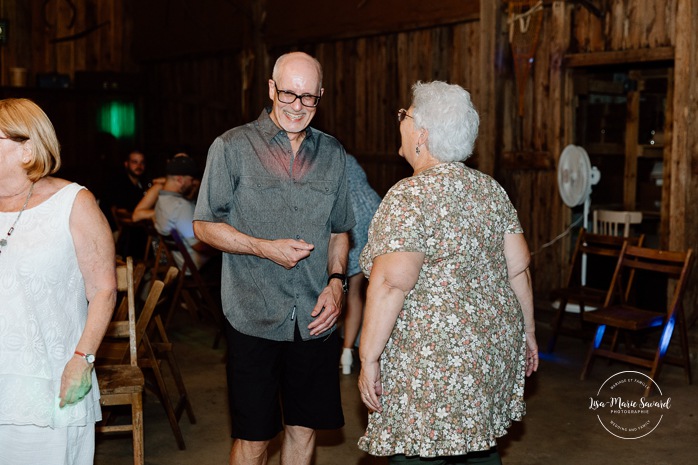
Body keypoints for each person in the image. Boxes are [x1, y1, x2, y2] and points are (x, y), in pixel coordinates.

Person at [357, 81, 539, 465]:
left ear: (421, 134)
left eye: (405, 114)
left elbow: (390, 283)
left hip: (434, 364)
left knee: (420, 451)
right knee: (478, 444)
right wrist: (529, 335)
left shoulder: (410, 197)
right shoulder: (490, 190)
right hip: (491, 353)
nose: (400, 121)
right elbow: (518, 269)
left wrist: (368, 356)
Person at [193, 51, 355, 465]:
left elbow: (340, 229)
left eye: (308, 98)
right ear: (270, 89)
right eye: (288, 94)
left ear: (320, 96)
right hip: (253, 315)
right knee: (254, 437)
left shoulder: (334, 154)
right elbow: (204, 226)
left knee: (302, 429)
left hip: (315, 318)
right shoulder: (231, 147)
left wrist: (337, 282)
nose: (297, 107)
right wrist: (265, 247)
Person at [0, 98, 116, 464]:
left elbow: (103, 289)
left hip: (45, 381)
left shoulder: (72, 202)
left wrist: (83, 358)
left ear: (27, 148)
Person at [133, 153, 214, 270]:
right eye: (191, 179)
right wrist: (221, 247)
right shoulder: (181, 206)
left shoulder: (161, 200)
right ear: (180, 180)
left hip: (177, 263)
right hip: (193, 267)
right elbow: (199, 246)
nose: (193, 183)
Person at [340, 154, 382, 375]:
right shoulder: (349, 158)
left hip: (347, 218)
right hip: (371, 211)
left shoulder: (321, 155)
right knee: (356, 292)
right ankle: (347, 354)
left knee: (338, 288)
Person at [99, 149, 150, 258]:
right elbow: (118, 212)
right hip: (112, 229)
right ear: (126, 164)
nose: (139, 166)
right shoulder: (119, 183)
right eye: (134, 162)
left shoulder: (142, 184)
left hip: (131, 227)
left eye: (142, 162)